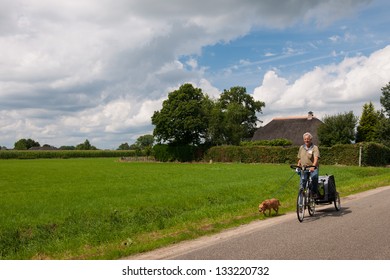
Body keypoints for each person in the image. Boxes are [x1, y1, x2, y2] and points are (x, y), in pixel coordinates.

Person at [297, 132, 320, 196]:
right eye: (305, 139)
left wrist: (313, 166)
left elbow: (316, 158)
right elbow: (300, 158)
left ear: (311, 139)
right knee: (302, 182)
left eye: (308, 139)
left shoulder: (315, 148)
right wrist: (298, 166)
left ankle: (314, 192)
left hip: (313, 167)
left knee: (314, 177)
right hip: (304, 168)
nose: (306, 140)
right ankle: (301, 200)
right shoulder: (301, 147)